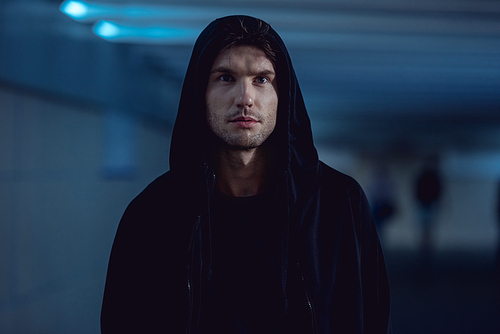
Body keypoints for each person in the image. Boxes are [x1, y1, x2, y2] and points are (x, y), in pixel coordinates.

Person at [100, 15, 391, 334]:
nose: (245, 99)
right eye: (225, 77)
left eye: (261, 79)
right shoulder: (152, 214)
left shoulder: (340, 205)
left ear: (284, 95)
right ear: (200, 93)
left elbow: (373, 319)